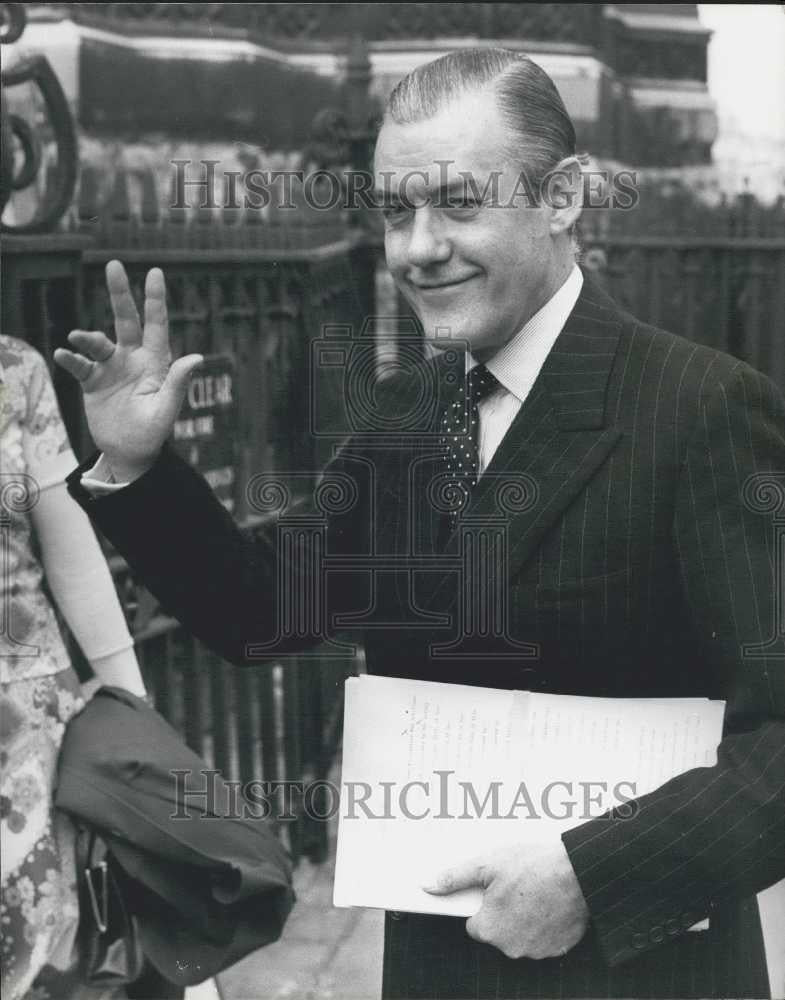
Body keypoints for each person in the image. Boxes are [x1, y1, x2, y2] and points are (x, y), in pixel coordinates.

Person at [56, 49, 784, 1000]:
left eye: (458, 202)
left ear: (561, 196)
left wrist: (597, 876)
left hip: (641, 974)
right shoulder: (409, 414)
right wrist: (143, 471)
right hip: (437, 968)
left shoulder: (701, 410)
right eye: (396, 212)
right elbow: (261, 609)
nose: (416, 247)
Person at [0, 334, 147, 1000]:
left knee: (47, 954)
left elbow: (68, 546)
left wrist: (133, 709)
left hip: (26, 728)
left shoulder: (13, 369)